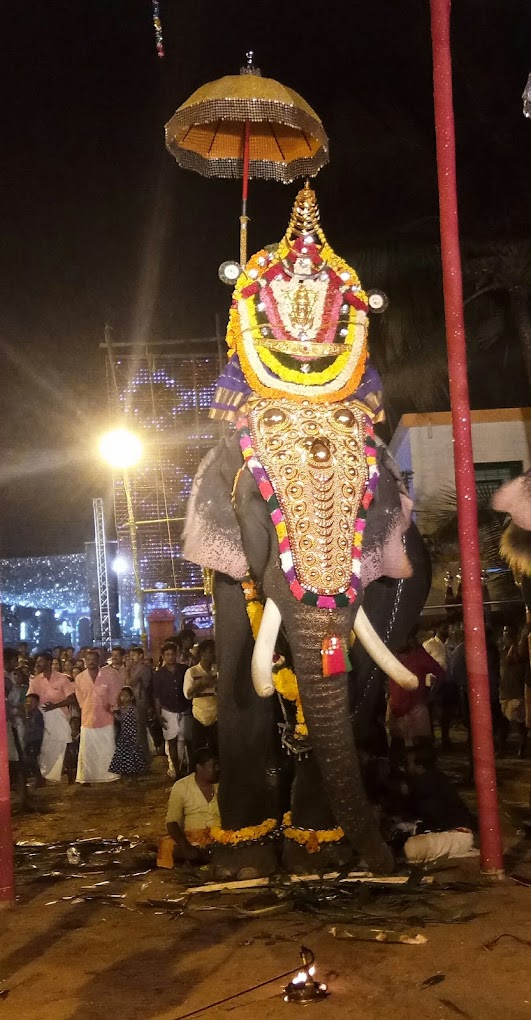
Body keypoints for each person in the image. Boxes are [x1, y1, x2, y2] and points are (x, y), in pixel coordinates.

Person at [402, 745, 476, 864]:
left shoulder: (423, 785)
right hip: (458, 832)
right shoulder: (437, 778)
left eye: (407, 763)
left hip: (455, 834)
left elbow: (431, 818)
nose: (405, 767)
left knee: (410, 847)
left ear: (419, 765)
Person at [388, 629, 445, 752]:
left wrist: (432, 694)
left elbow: (440, 673)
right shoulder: (389, 655)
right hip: (396, 709)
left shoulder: (419, 656)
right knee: (399, 749)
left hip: (416, 708)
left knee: (420, 749)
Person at [161, 748, 220, 865]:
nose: (217, 769)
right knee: (167, 844)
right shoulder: (181, 786)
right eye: (213, 765)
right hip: (192, 839)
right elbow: (172, 822)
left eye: (218, 765)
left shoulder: (222, 785)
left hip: (219, 837)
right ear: (199, 768)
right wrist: (185, 845)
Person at [28, 652, 76, 782]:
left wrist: (55, 706)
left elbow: (71, 699)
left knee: (64, 744)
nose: (38, 664)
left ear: (49, 662)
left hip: (59, 717)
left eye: (41, 661)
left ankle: (71, 776)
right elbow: (31, 698)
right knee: (43, 747)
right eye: (37, 661)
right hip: (42, 719)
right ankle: (42, 777)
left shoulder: (62, 678)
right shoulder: (36, 680)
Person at [74, 650, 119, 784]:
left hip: (106, 717)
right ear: (85, 661)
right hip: (88, 718)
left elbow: (115, 693)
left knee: (107, 747)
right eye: (88, 659)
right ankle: (86, 777)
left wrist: (111, 707)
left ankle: (110, 776)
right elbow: (80, 699)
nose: (91, 662)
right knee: (88, 749)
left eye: (94, 659)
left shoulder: (109, 675)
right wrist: (88, 707)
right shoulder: (80, 678)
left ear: (99, 660)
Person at [153, 641, 192, 777]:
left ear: (176, 655)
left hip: (185, 709)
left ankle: (191, 770)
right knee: (172, 742)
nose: (170, 657)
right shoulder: (159, 675)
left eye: (172, 654)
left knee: (189, 741)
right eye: (167, 654)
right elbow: (156, 696)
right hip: (168, 710)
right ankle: (177, 772)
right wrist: (158, 715)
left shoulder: (184, 670)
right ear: (163, 656)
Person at [499, 622, 529, 757]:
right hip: (504, 691)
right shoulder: (503, 651)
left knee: (519, 724)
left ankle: (522, 748)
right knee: (504, 724)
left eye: (508, 632)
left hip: (516, 692)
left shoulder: (521, 652)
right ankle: (502, 748)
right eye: (504, 632)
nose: (506, 635)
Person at [423, 621, 454, 747]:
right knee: (432, 712)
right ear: (437, 628)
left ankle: (445, 738)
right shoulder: (429, 644)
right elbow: (424, 665)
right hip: (433, 684)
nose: (446, 629)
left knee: (445, 712)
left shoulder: (448, 645)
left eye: (447, 627)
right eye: (444, 626)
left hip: (446, 682)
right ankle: (431, 739)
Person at [184, 639, 218, 754]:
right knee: (198, 750)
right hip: (199, 715)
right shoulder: (192, 672)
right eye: (211, 652)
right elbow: (187, 694)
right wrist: (201, 684)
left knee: (216, 749)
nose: (214, 654)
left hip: (216, 716)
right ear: (202, 653)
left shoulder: (218, 671)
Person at [109, 686, 147, 779]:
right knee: (125, 755)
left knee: (134, 755)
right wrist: (112, 714)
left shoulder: (133, 709)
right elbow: (121, 720)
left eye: (126, 696)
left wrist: (138, 737)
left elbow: (138, 722)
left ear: (131, 697)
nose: (123, 698)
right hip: (124, 735)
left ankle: (134, 777)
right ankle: (127, 775)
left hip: (133, 735)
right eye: (122, 696)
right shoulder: (121, 709)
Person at [127, 645, 153, 766]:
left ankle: (143, 759)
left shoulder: (143, 668)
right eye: (130, 655)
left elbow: (131, 682)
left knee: (140, 731)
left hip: (141, 701)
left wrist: (127, 670)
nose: (131, 658)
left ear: (141, 656)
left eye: (134, 655)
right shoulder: (136, 668)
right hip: (137, 701)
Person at [24, 693, 45, 784]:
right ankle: (39, 778)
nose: (29, 703)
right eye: (28, 701)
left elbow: (34, 727)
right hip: (30, 739)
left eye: (31, 701)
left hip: (35, 739)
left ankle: (39, 779)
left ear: (37, 702)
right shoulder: (29, 712)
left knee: (31, 758)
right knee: (31, 759)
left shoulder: (36, 713)